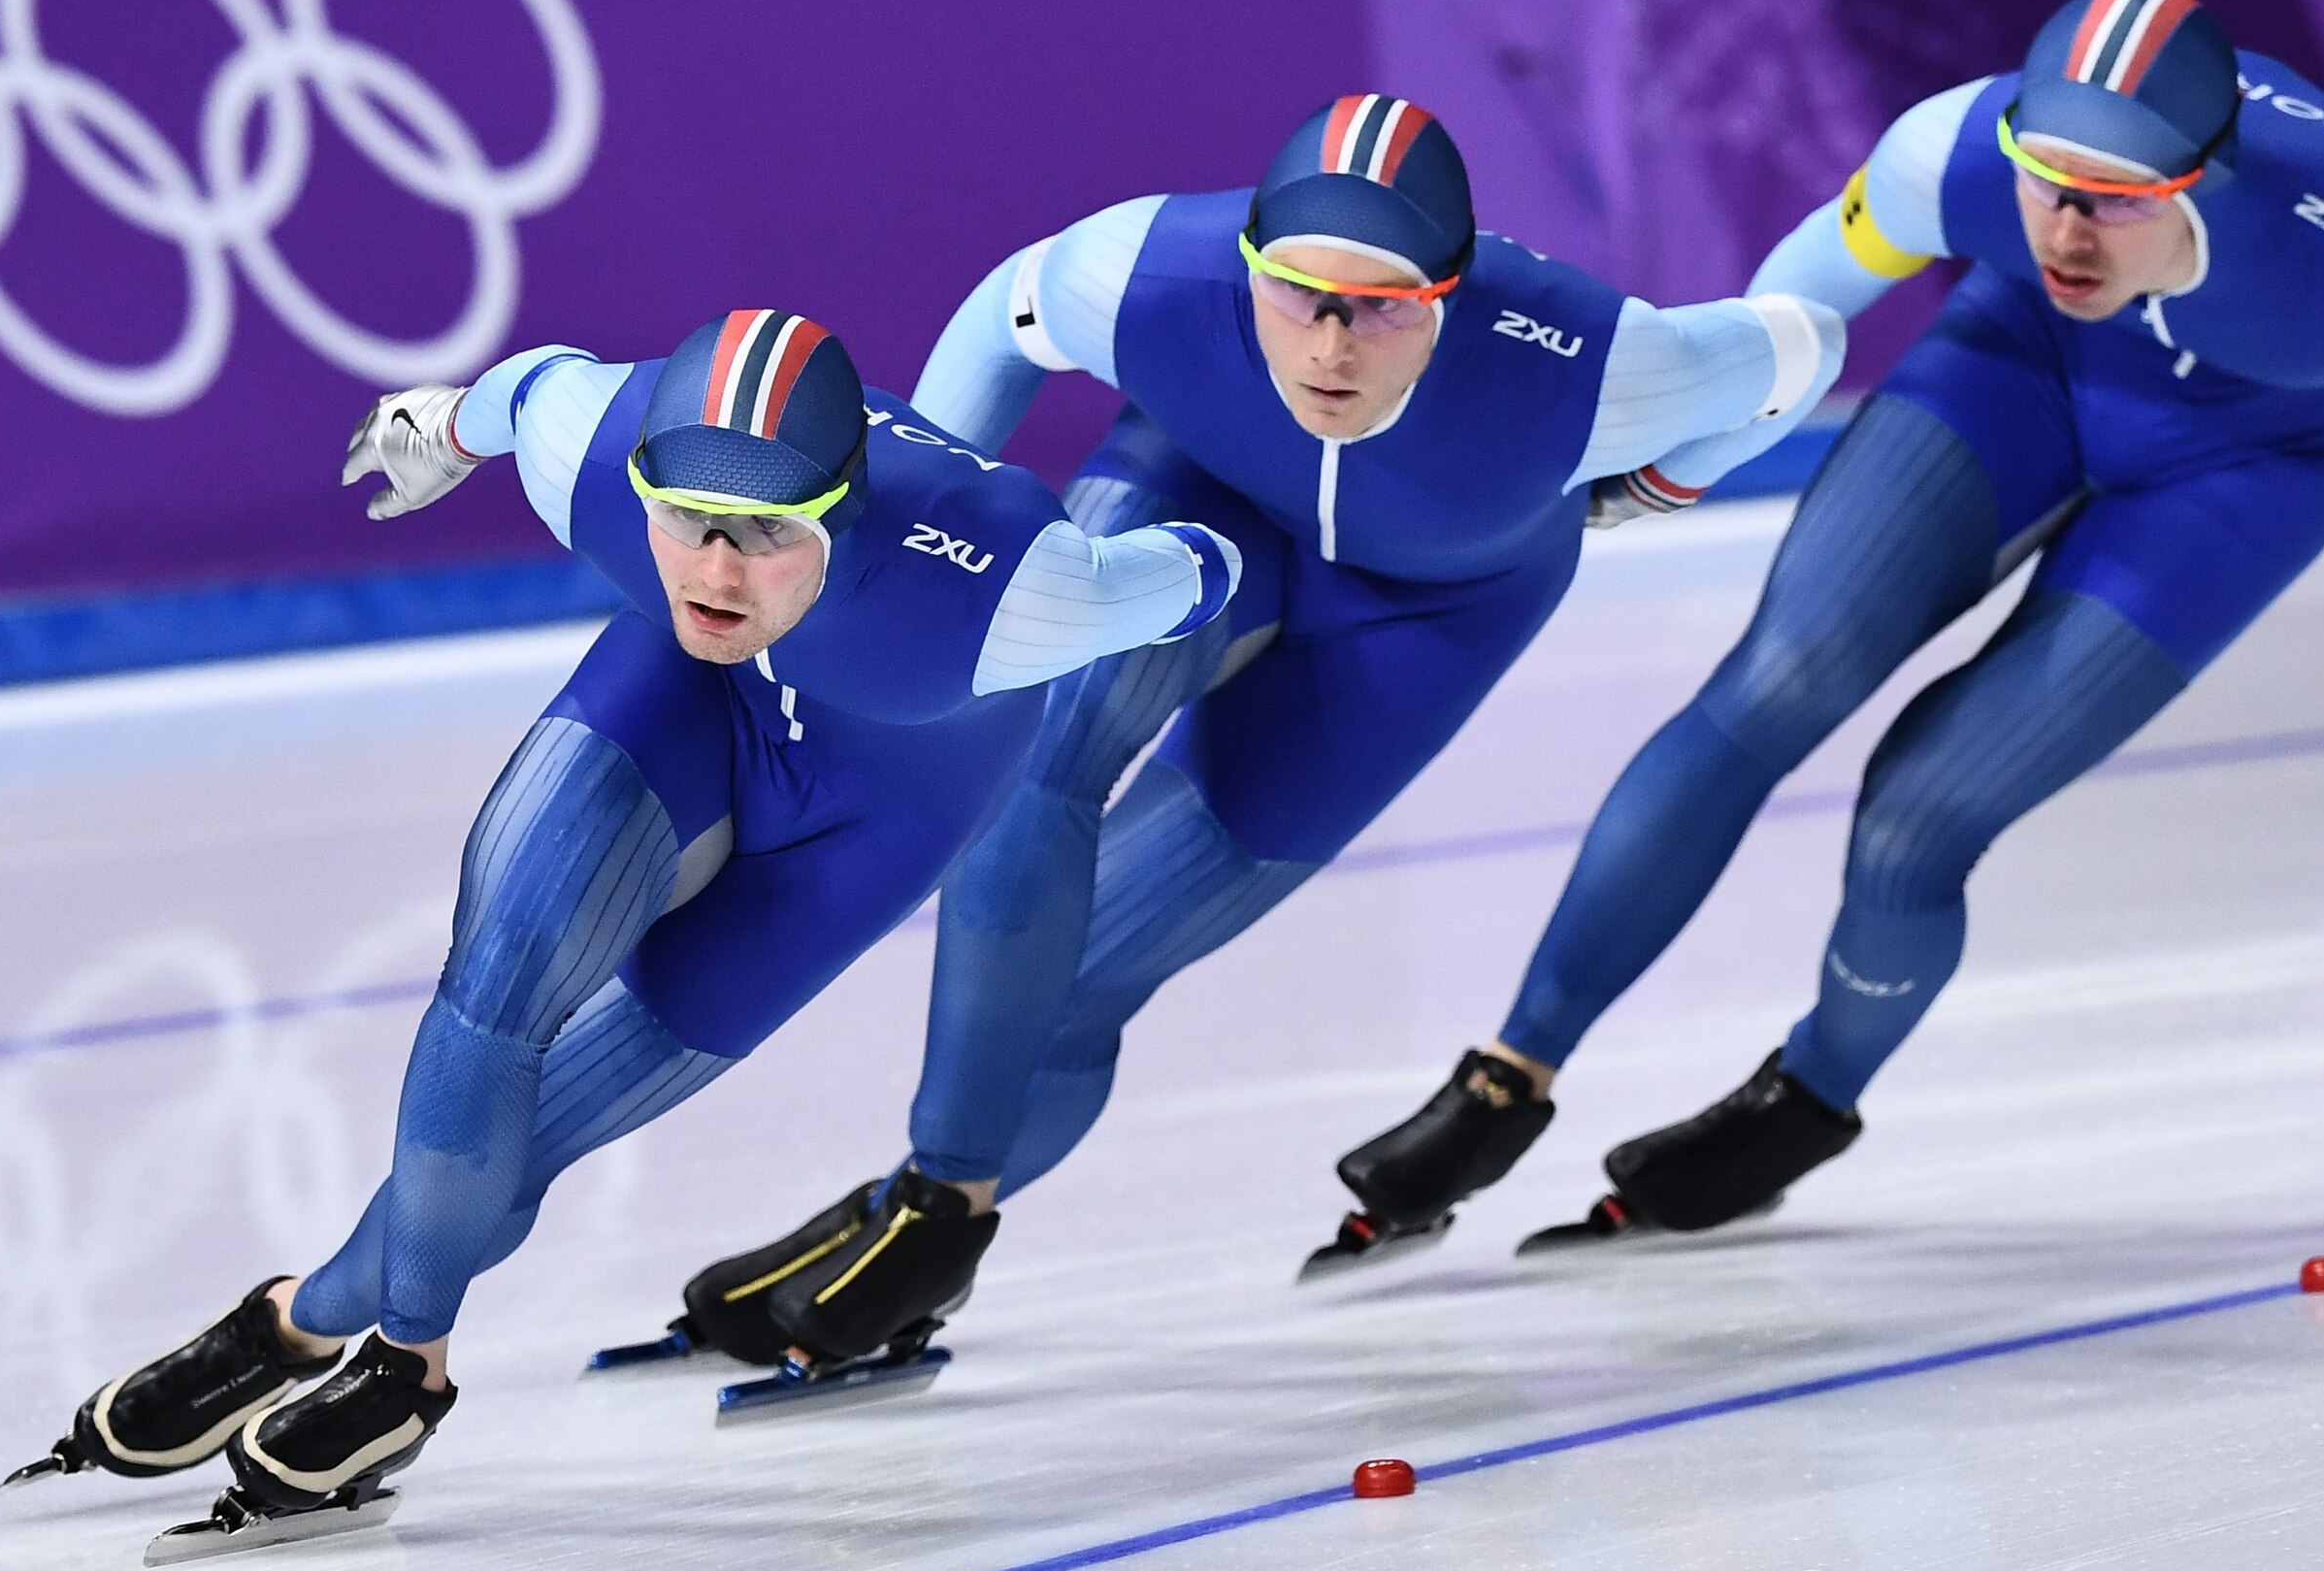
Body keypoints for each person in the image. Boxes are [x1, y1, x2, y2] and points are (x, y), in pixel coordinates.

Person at [1323, 0, 2324, 1257]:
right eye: (2049, 187)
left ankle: (1809, 1101)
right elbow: (1785, 323)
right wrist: (1683, 464)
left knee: (1922, 811)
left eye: (2118, 206)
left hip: (2253, 463)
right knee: (1776, 681)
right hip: (2023, 367)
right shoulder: (1949, 149)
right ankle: (1505, 1081)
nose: (2070, 235)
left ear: (2203, 183)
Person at [1, 307, 1240, 1550]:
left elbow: (1194, 573)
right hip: (685, 703)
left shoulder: (1018, 582)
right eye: (686, 520)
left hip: (873, 820)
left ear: (844, 513)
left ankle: (294, 1319)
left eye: (766, 536)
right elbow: (501, 396)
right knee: (494, 983)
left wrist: (1219, 552)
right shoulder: (589, 438)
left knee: (523, 1143)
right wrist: (432, 427)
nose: (713, 570)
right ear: (638, 479)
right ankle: (406, 1368)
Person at [660, 92, 1847, 1362]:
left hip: (1425, 617)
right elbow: (1002, 314)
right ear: (1247, 265)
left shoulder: (1598, 363)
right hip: (1194, 504)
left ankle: (926, 1210)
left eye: (1383, 307)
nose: (1332, 345)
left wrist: (1666, 478)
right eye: (1296, 295)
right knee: (1030, 772)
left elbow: (1805, 340)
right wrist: (943, 520)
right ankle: (942, 1203)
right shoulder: (1143, 273)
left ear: (1450, 294)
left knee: (1088, 978)